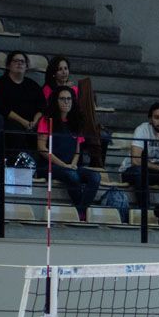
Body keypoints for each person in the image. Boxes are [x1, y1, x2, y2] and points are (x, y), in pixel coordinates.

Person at [37, 87, 102, 220]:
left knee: (95, 177)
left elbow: (77, 151)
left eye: (69, 99)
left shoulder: (76, 122)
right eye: (62, 99)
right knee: (71, 176)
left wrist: (72, 164)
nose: (66, 102)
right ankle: (82, 214)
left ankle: (80, 211)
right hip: (49, 166)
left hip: (70, 165)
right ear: (56, 101)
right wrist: (63, 165)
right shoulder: (46, 120)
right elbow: (42, 148)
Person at [0, 51, 44, 164]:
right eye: (16, 61)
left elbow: (41, 107)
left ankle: (36, 166)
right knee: (16, 131)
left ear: (26, 66)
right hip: (9, 121)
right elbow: (0, 107)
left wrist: (34, 121)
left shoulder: (33, 85)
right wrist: (23, 122)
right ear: (8, 65)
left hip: (31, 123)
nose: (19, 64)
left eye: (22, 61)